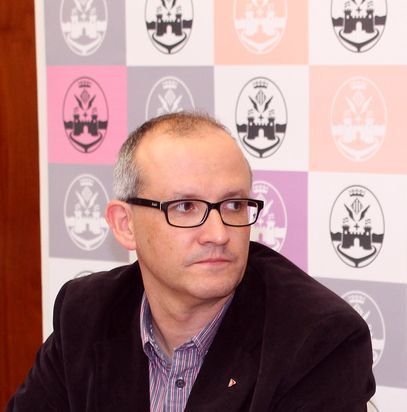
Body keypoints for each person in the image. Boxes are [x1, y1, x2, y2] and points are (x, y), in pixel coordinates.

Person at [7, 112, 375, 411]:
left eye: (234, 205)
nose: (218, 233)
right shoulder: (87, 313)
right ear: (125, 224)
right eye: (185, 207)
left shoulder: (316, 340)